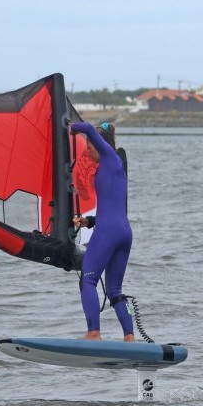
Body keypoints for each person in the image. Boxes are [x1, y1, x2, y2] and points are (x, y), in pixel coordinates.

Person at [70, 121, 135, 342]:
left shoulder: (108, 156)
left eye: (89, 147)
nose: (87, 152)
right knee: (115, 289)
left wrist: (68, 127)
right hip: (123, 231)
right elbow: (112, 209)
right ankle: (129, 338)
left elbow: (87, 127)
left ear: (100, 144)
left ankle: (93, 333)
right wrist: (88, 221)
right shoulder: (116, 166)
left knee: (88, 280)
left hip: (109, 231)